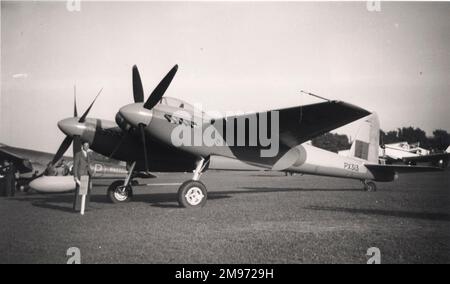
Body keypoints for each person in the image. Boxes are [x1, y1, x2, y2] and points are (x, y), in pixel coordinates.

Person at [73, 142, 94, 211]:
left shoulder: (89, 154)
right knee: (80, 191)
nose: (86, 147)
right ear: (82, 146)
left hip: (87, 173)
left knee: (86, 191)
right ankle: (77, 208)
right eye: (85, 145)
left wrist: (91, 172)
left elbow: (89, 164)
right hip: (80, 174)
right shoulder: (78, 154)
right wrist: (75, 176)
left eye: (87, 146)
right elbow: (75, 165)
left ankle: (85, 207)